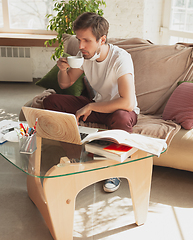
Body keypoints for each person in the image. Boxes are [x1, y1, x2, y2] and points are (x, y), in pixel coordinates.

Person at [43, 12, 139, 193]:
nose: (81, 46)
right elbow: (66, 83)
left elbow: (127, 102)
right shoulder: (83, 55)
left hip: (120, 111)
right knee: (51, 101)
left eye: (86, 40)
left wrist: (92, 106)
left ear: (102, 40)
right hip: (97, 106)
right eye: (79, 39)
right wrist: (63, 69)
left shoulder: (120, 58)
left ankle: (114, 170)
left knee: (121, 117)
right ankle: (76, 158)